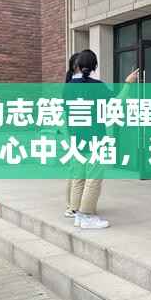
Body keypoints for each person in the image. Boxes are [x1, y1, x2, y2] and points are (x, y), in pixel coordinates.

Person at [65, 49, 138, 229]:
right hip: (95, 139)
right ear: (94, 66)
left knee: (78, 178)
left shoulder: (68, 87)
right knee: (93, 179)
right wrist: (128, 84)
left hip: (76, 139)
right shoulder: (97, 86)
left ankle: (76, 213)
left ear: (77, 66)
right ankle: (86, 216)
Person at [64, 52, 81, 218]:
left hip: (72, 133)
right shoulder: (74, 86)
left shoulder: (69, 85)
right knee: (77, 173)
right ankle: (72, 208)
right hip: (75, 133)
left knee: (74, 172)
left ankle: (71, 205)